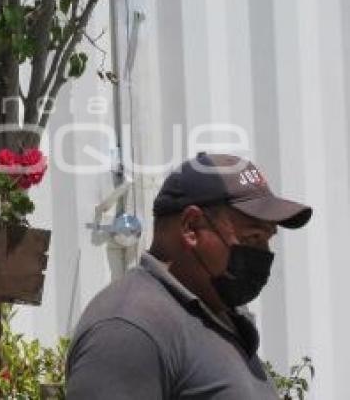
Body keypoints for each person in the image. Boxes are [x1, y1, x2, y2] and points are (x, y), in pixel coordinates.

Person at [65, 153, 312, 399]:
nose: (263, 255)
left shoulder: (218, 313)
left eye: (267, 240)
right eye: (253, 238)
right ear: (191, 227)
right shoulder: (128, 329)